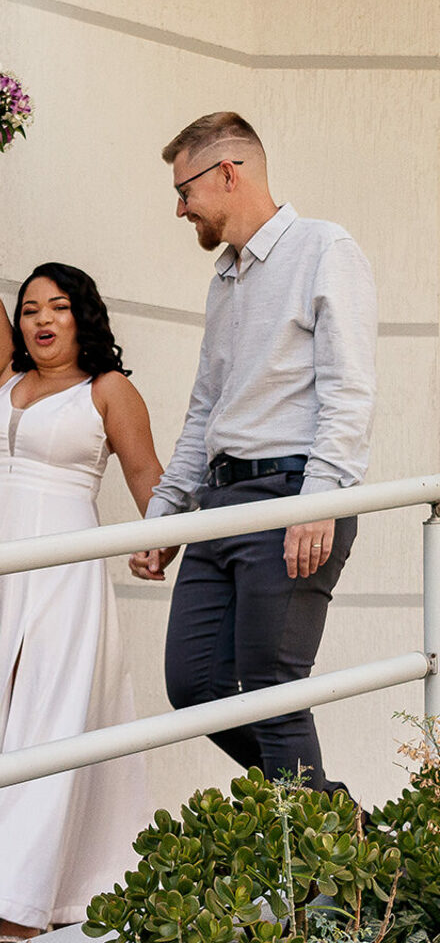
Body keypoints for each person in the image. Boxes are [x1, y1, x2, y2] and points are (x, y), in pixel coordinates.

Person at [0, 146, 161, 940]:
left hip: (63, 576)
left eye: (56, 306)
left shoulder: (108, 391)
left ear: (82, 315)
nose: (38, 318)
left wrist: (156, 542)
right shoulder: (5, 380)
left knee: (46, 726)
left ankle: (25, 909)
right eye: (31, 307)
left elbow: (148, 478)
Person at [130, 111, 377, 795]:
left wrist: (321, 500)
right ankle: (331, 814)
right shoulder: (226, 279)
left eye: (185, 191)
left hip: (291, 498)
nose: (181, 209)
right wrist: (165, 515)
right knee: (196, 686)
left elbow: (350, 389)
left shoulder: (325, 249)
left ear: (228, 173)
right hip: (218, 506)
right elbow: (205, 408)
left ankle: (326, 892)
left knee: (271, 686)